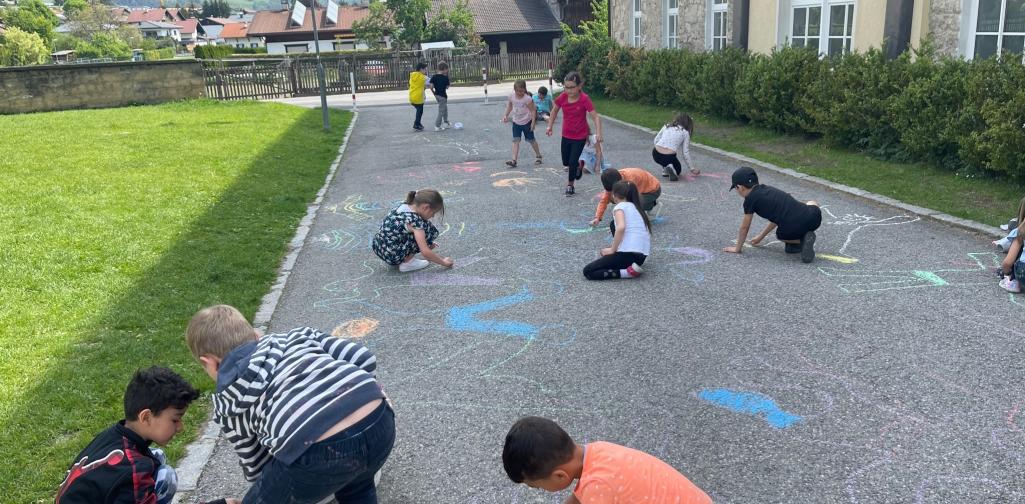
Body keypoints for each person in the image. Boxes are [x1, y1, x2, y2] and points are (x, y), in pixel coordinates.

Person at [185, 305, 395, 504]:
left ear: (210, 363)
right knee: (357, 485)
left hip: (319, 454)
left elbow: (256, 464)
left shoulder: (228, 400)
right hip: (380, 420)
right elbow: (364, 357)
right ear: (256, 335)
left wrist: (272, 490)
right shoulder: (297, 336)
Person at [56, 367, 204, 504]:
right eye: (175, 420)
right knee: (166, 477)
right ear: (146, 417)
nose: (180, 427)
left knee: (156, 458)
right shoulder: (134, 470)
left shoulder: (113, 435)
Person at [502, 416, 712, 503]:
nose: (539, 491)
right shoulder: (597, 451)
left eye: (537, 487)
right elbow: (579, 499)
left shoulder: (598, 487)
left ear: (559, 475)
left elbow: (591, 493)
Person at [723, 166, 821, 264]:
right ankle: (803, 237)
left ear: (740, 187)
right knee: (812, 202)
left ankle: (802, 241)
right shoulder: (768, 190)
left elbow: (744, 227)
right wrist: (760, 236)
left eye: (735, 188)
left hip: (792, 228)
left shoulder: (750, 200)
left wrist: (737, 248)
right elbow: (776, 217)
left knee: (780, 235)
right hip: (814, 218)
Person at [547, 71, 602, 196]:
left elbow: (595, 117)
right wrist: (550, 126)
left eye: (572, 87)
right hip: (566, 134)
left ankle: (570, 185)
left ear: (579, 86)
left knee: (571, 162)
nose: (569, 90)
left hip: (580, 136)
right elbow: (554, 111)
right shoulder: (562, 97)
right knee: (566, 162)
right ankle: (579, 164)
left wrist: (598, 133)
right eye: (566, 87)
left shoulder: (584, 99)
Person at [582, 180, 651, 280]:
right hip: (641, 257)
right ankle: (624, 261)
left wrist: (612, 250)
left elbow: (621, 227)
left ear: (614, 195)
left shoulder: (619, 207)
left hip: (629, 256)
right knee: (612, 224)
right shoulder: (637, 207)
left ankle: (627, 273)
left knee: (588, 271)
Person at [372, 189, 454, 272]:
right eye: (433, 212)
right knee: (428, 230)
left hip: (379, 247)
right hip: (392, 255)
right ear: (426, 207)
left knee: (422, 229)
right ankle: (408, 263)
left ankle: (405, 256)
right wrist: (444, 262)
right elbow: (425, 252)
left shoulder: (404, 206)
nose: (432, 216)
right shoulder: (415, 221)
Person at [589, 168, 661, 228]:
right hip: (641, 188)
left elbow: (633, 199)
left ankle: (652, 204)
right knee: (614, 198)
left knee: (633, 204)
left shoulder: (630, 180)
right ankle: (645, 204)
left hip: (652, 191)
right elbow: (604, 200)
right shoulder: (613, 178)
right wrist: (597, 218)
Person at [502, 79, 542, 167]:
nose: (519, 93)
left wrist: (533, 123)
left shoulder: (527, 99)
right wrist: (505, 115)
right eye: (517, 91)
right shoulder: (511, 96)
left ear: (525, 89)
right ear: (514, 90)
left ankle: (538, 156)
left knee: (531, 140)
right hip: (516, 122)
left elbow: (533, 110)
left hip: (527, 122)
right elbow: (509, 106)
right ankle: (514, 160)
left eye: (521, 91)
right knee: (516, 141)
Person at [653, 113, 698, 182]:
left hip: (656, 154)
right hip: (669, 156)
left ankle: (666, 168)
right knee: (678, 170)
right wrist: (692, 169)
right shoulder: (685, 132)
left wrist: (659, 149)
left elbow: (656, 139)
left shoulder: (667, 126)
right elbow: (685, 152)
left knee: (665, 159)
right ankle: (669, 167)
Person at [429, 61, 451, 131]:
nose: (447, 70)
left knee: (444, 108)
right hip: (443, 96)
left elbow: (431, 87)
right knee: (441, 111)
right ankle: (437, 126)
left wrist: (434, 93)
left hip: (437, 95)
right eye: (447, 69)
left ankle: (446, 122)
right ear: (444, 69)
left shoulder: (434, 77)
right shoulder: (445, 78)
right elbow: (447, 87)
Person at [408, 62, 428, 131]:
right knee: (420, 111)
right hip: (418, 97)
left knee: (419, 110)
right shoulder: (422, 77)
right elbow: (430, 81)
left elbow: (418, 85)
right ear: (421, 69)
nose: (426, 71)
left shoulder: (413, 76)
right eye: (425, 69)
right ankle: (416, 124)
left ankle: (418, 123)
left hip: (412, 96)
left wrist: (423, 87)